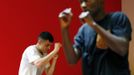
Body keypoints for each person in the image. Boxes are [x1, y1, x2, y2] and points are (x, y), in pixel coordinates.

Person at [58, 0, 132, 75]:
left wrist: (93, 25)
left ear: (101, 1)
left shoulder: (118, 18)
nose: (83, 5)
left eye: (87, 1)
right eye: (81, 2)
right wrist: (65, 29)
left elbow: (122, 49)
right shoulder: (83, 30)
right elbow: (71, 60)